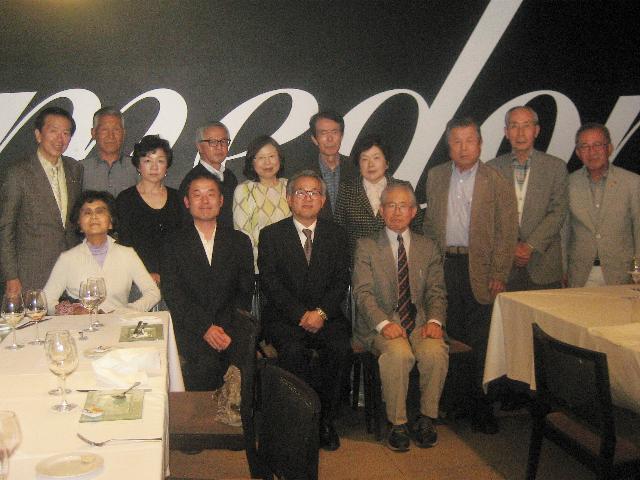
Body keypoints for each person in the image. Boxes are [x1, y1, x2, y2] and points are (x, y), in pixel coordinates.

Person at [423, 117, 518, 434]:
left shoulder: (496, 179)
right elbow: (429, 226)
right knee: (450, 335)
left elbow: (507, 231)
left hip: (482, 270)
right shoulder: (436, 176)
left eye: (469, 140)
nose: (463, 147)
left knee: (480, 340)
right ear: (448, 146)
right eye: (456, 141)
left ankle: (481, 407)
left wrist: (500, 271)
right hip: (445, 265)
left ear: (480, 143)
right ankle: (455, 402)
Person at [258, 170, 351, 451]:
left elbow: (341, 281)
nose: (308, 198)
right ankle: (298, 421)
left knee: (338, 349)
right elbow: (270, 283)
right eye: (301, 192)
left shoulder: (337, 235)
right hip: (286, 319)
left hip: (327, 317)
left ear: (323, 200)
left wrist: (320, 313)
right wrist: (301, 314)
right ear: (289, 199)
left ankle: (325, 421)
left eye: (314, 193)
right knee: (294, 352)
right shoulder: (271, 235)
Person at [353, 183, 448, 452]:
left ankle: (427, 418)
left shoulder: (428, 247)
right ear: (381, 211)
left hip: (419, 322)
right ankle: (398, 423)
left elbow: (437, 291)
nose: (396, 212)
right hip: (379, 324)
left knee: (435, 352)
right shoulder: (366, 246)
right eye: (390, 206)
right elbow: (362, 293)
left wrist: (435, 321)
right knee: (399, 354)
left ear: (414, 211)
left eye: (403, 206)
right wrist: (384, 324)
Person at [161, 172, 254, 391]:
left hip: (231, 327)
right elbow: (174, 294)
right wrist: (205, 328)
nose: (205, 201)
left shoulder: (240, 241)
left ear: (221, 201)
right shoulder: (172, 243)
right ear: (187, 202)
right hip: (191, 329)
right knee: (204, 365)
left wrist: (223, 329)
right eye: (197, 195)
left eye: (211, 194)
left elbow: (244, 292)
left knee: (240, 362)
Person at [0, 107, 83, 295]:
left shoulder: (75, 169)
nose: (60, 139)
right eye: (53, 131)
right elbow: (6, 228)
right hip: (30, 275)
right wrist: (11, 276)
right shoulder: (18, 173)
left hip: (70, 274)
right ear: (38, 135)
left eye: (66, 133)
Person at [488, 106, 568, 291]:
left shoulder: (556, 167)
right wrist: (512, 247)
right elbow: (489, 215)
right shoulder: (492, 169)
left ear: (536, 130)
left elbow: (558, 212)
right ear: (506, 132)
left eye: (526, 125)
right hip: (504, 268)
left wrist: (530, 246)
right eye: (514, 126)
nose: (520, 133)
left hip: (544, 263)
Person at [43, 191, 161, 314]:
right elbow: (47, 300)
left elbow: (153, 293)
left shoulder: (127, 255)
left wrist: (128, 311)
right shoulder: (67, 259)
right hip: (79, 325)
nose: (94, 216)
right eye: (87, 212)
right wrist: (72, 311)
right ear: (79, 223)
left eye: (100, 211)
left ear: (111, 222)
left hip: (118, 323)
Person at [566, 123, 640, 287]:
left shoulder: (632, 182)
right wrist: (563, 270)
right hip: (579, 274)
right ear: (578, 153)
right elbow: (564, 233)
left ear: (609, 148)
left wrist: (638, 270)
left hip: (622, 273)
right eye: (585, 146)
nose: (592, 152)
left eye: (597, 145)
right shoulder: (568, 183)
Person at [334, 134, 418, 260]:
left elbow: (417, 226)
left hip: (397, 261)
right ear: (359, 164)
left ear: (387, 163)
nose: (370, 164)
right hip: (359, 262)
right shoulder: (346, 189)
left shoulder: (403, 188)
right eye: (365, 159)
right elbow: (339, 231)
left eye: (376, 158)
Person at [116, 135, 182, 286]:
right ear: (138, 166)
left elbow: (183, 242)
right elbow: (124, 244)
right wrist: (143, 274)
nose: (154, 167)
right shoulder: (125, 199)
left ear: (167, 165)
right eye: (147, 161)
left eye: (160, 161)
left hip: (174, 278)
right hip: (136, 281)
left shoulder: (178, 198)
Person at [233, 135, 290, 270]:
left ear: (279, 158)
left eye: (272, 156)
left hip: (290, 265)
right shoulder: (244, 190)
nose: (267, 163)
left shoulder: (290, 186)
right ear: (251, 162)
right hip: (259, 267)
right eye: (261, 158)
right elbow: (242, 237)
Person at [179, 121, 237, 228]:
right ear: (199, 146)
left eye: (224, 141)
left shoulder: (230, 176)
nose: (219, 147)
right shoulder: (193, 180)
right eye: (213, 142)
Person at [307, 110, 357, 219]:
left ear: (341, 136)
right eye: (323, 133)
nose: (330, 139)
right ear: (314, 139)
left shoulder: (356, 168)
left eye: (334, 132)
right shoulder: (303, 172)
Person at [81, 106, 138, 197]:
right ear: (94, 133)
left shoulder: (138, 167)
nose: (111, 136)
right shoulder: (80, 169)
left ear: (123, 133)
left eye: (116, 130)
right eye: (104, 130)